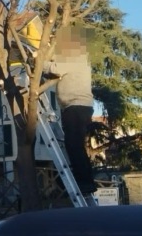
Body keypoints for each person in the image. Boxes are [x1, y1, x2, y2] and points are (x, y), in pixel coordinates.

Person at [43, 24, 97, 194]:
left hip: (76, 106)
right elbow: (56, 72)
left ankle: (85, 182)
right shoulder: (77, 57)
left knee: (74, 146)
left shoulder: (74, 56)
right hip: (77, 106)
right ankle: (83, 180)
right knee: (74, 145)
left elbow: (56, 69)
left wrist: (39, 62)